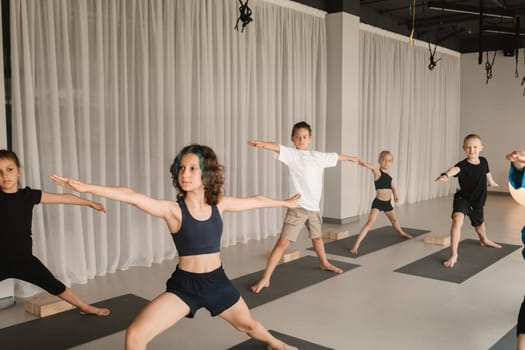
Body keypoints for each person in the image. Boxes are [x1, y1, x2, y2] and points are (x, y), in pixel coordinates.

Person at [50, 144, 299, 350]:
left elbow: (256, 201)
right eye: (181, 168)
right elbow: (131, 195)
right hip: (185, 286)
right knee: (135, 334)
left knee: (248, 326)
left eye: (192, 168)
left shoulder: (219, 205)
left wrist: (285, 203)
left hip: (217, 282)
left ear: (207, 175)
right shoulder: (173, 211)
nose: (185, 174)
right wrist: (87, 188)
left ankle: (274, 343)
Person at [248, 121, 361, 294]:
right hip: (297, 207)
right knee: (282, 243)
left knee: (317, 238)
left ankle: (324, 263)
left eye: (305, 137)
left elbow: (336, 156)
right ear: (293, 139)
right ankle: (266, 278)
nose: (301, 139)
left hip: (314, 208)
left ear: (310, 138)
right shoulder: (292, 154)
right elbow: (277, 147)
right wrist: (263, 145)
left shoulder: (318, 156)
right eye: (298, 137)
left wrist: (352, 158)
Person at [0, 149, 110, 316]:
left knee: (54, 285)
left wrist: (89, 203)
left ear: (19, 170)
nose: (5, 175)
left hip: (24, 260)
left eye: (9, 169)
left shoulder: (29, 196)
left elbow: (65, 198)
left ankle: (84, 307)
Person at [435, 134, 501, 268]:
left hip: (478, 202)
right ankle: (454, 255)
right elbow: (455, 170)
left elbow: (487, 173)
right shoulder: (462, 165)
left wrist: (492, 182)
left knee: (479, 226)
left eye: (475, 147)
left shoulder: (484, 161)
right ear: (464, 148)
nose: (472, 150)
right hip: (463, 199)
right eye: (468, 147)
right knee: (457, 221)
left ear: (481, 148)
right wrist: (446, 175)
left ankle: (484, 240)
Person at [350, 151, 412, 255]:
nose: (387, 163)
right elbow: (372, 167)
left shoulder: (390, 177)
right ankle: (355, 245)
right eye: (384, 160)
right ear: (379, 161)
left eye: (389, 161)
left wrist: (396, 195)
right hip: (378, 203)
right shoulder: (378, 173)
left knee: (394, 221)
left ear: (391, 163)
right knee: (370, 223)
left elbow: (393, 187)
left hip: (387, 203)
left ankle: (401, 232)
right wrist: (364, 164)